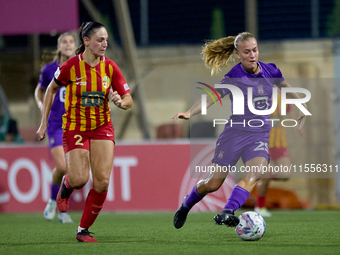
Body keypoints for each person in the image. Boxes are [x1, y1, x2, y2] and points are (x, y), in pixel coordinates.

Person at [172, 32, 307, 229]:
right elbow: (211, 97)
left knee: (255, 173)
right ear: (237, 54)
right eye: (247, 52)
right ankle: (185, 205)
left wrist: (301, 108)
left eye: (255, 50)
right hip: (234, 135)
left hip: (259, 136)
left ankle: (227, 211)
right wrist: (190, 112)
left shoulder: (271, 71)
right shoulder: (234, 76)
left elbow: (285, 86)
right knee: (213, 184)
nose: (252, 55)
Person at [36, 21, 133, 242]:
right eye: (100, 39)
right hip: (75, 127)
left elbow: (129, 99)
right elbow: (50, 90)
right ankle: (65, 188)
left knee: (102, 182)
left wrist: (120, 101)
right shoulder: (70, 66)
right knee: (79, 178)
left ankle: (83, 230)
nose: (105, 43)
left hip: (102, 127)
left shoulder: (110, 67)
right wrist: (43, 123)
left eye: (106, 39)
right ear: (87, 42)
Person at [35, 32, 76, 223]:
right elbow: (40, 90)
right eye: (64, 42)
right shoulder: (49, 69)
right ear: (59, 47)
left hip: (75, 125)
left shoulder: (80, 68)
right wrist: (42, 106)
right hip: (55, 125)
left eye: (71, 41)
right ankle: (53, 202)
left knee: (74, 171)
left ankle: (62, 209)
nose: (68, 44)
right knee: (62, 166)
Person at [254, 92, 298, 217]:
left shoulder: (282, 96)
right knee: (265, 175)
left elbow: (290, 111)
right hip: (261, 142)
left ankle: (262, 178)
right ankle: (260, 207)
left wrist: (298, 125)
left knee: (285, 174)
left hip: (279, 143)